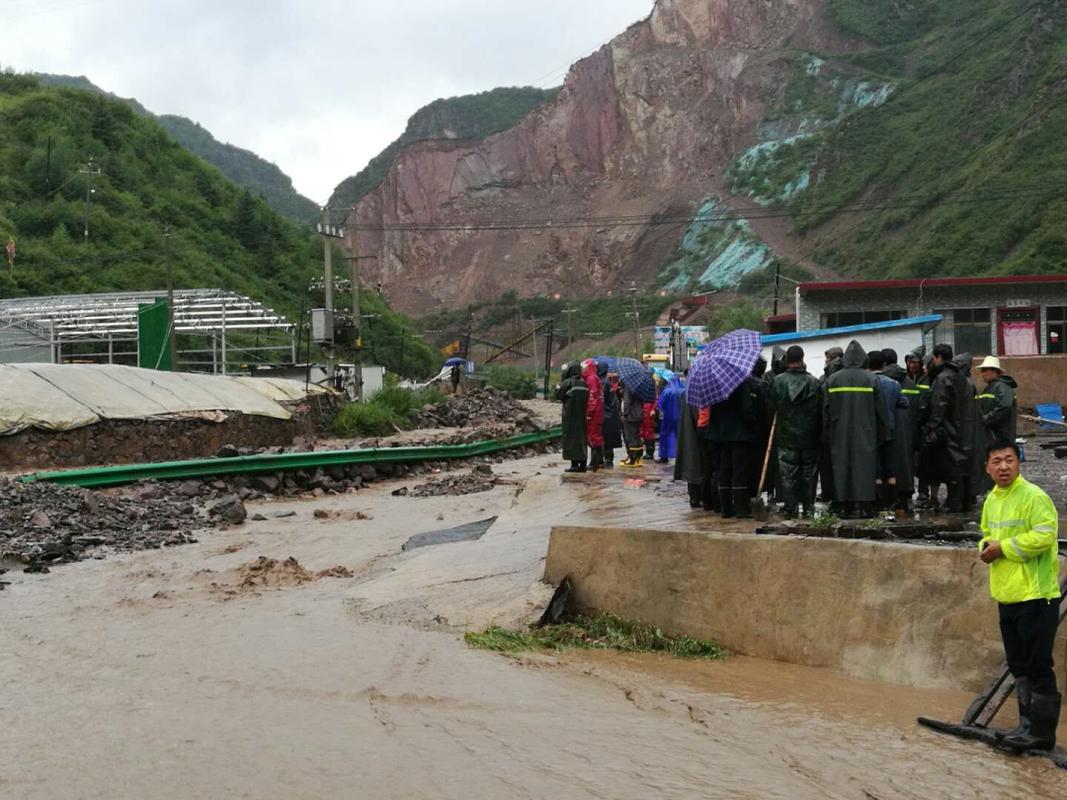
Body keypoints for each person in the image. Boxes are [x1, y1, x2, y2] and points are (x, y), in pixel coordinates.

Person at [978, 440, 1061, 752]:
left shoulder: (1034, 496)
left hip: (1037, 596)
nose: (1003, 467)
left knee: (1038, 665)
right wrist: (986, 547)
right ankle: (1025, 726)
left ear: (1018, 463)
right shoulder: (992, 500)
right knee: (1019, 665)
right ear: (987, 468)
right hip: (1007, 595)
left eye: (1009, 460)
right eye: (996, 461)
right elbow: (986, 533)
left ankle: (1042, 734)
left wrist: (1004, 548)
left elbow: (1045, 535)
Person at [824, 340, 883, 517]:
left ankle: (842, 505)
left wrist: (825, 432)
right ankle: (865, 507)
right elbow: (880, 409)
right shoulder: (871, 379)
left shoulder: (833, 379)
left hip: (838, 431)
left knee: (841, 466)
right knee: (864, 467)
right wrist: (884, 431)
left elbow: (825, 409)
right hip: (866, 431)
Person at [770, 345, 822, 518]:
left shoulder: (777, 382)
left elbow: (769, 406)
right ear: (802, 357)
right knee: (810, 474)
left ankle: (791, 508)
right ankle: (808, 508)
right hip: (810, 436)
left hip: (786, 436)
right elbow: (821, 410)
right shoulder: (815, 382)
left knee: (788, 475)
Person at [925, 345, 976, 513]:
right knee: (964, 467)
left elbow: (938, 405)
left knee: (952, 468)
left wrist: (931, 427)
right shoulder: (966, 380)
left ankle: (954, 503)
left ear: (938, 358)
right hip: (965, 429)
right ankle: (965, 503)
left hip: (949, 429)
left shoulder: (943, 378)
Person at [707, 362, 761, 518]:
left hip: (720, 435)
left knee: (724, 470)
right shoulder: (740, 382)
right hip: (739, 435)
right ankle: (741, 509)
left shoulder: (715, 383)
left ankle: (725, 508)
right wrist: (752, 426)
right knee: (739, 472)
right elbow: (747, 409)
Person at [868, 350, 908, 512]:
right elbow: (904, 403)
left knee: (876, 466)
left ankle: (878, 501)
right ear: (884, 365)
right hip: (890, 428)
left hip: (871, 430)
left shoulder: (868, 382)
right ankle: (892, 500)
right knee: (890, 465)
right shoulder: (894, 384)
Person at [883, 348, 918, 511]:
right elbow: (916, 406)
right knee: (905, 461)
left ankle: (889, 499)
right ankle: (905, 496)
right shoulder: (909, 381)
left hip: (887, 429)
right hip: (907, 429)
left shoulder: (882, 381)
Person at [818, 346, 845, 504]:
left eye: (828, 358)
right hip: (836, 428)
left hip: (831, 427)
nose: (826, 361)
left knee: (830, 464)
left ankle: (833, 493)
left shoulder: (828, 379)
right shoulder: (824, 377)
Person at [555, 362, 589, 473]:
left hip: (570, 416)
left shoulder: (568, 383)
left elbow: (558, 394)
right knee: (582, 439)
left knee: (571, 440)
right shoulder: (584, 383)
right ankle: (583, 464)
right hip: (582, 416)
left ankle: (574, 465)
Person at [674, 394, 705, 508]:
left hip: (688, 433)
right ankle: (699, 497)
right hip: (698, 434)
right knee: (698, 465)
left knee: (691, 465)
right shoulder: (697, 395)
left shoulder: (686, 393)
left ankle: (694, 498)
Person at [978, 356, 1018, 443]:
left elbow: (1005, 406)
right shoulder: (989, 387)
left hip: (1001, 437)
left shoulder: (1003, 387)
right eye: (982, 371)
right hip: (991, 436)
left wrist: (986, 419)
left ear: (995, 371)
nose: (982, 374)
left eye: (985, 370)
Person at [581, 360, 605, 472]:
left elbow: (592, 398)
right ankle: (599, 461)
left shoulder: (591, 380)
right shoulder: (594, 378)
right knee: (597, 437)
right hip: (598, 412)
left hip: (594, 413)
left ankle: (594, 463)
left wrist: (589, 413)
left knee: (593, 437)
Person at [599, 365, 622, 469]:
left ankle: (606, 460)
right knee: (608, 439)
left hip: (606, 414)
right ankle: (608, 459)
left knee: (605, 438)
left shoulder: (603, 382)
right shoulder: (607, 382)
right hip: (611, 414)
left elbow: (602, 399)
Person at [657, 374, 684, 462]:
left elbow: (661, 404)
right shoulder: (683, 391)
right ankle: (681, 456)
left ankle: (664, 456)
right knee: (680, 437)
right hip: (680, 417)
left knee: (665, 436)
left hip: (668, 417)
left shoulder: (667, 391)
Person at [620, 382, 646, 468]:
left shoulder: (628, 387)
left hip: (631, 416)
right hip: (639, 414)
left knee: (630, 437)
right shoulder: (639, 386)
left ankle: (632, 459)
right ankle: (638, 459)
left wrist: (624, 414)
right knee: (637, 436)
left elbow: (627, 402)